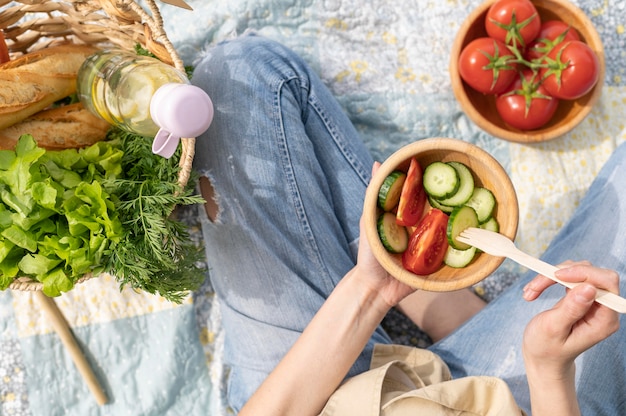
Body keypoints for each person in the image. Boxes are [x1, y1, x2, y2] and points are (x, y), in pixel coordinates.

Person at [191, 34, 624, 415]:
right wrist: (550, 373)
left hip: (306, 397)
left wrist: (371, 289)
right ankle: (460, 320)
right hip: (504, 399)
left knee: (240, 76)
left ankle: (446, 308)